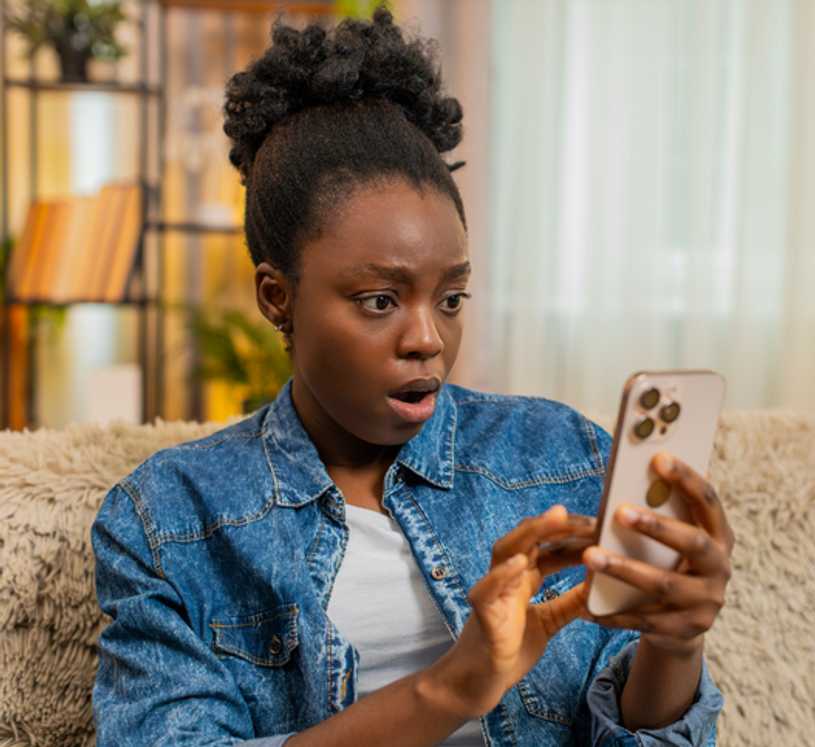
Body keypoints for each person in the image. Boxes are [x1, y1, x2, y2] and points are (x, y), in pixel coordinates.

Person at [90, 9, 733, 746]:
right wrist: (451, 687)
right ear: (277, 297)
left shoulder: (562, 457)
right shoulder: (171, 518)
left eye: (451, 298)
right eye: (379, 301)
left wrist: (674, 644)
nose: (428, 339)